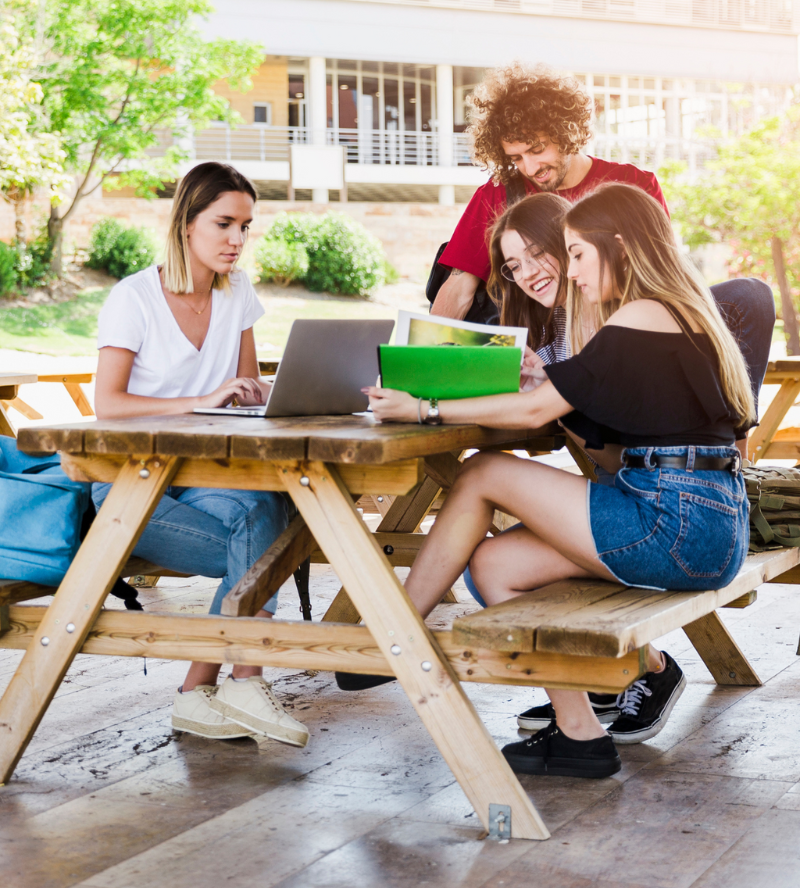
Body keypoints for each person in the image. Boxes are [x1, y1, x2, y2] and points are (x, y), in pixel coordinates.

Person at [361, 183, 754, 779]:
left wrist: (424, 410)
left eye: (575, 253)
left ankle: (392, 637)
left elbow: (531, 413)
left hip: (675, 521)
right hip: (695, 520)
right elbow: (596, 423)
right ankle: (580, 737)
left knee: (484, 471)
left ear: (617, 246)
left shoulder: (643, 313)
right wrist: (551, 381)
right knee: (494, 566)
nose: (569, 272)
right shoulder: (670, 311)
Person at [92, 161, 308, 749]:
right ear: (186, 223)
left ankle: (210, 688)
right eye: (224, 224)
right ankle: (232, 679)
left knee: (269, 510)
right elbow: (106, 404)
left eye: (246, 226)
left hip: (208, 480)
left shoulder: (237, 293)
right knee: (269, 535)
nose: (238, 240)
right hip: (132, 490)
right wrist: (199, 399)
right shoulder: (134, 297)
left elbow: (244, 386)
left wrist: (264, 392)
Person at [432, 62, 668, 323]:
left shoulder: (633, 184)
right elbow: (458, 290)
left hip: (619, 334)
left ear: (566, 131)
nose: (531, 169)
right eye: (516, 158)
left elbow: (661, 276)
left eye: (537, 149)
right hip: (535, 347)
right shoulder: (496, 196)